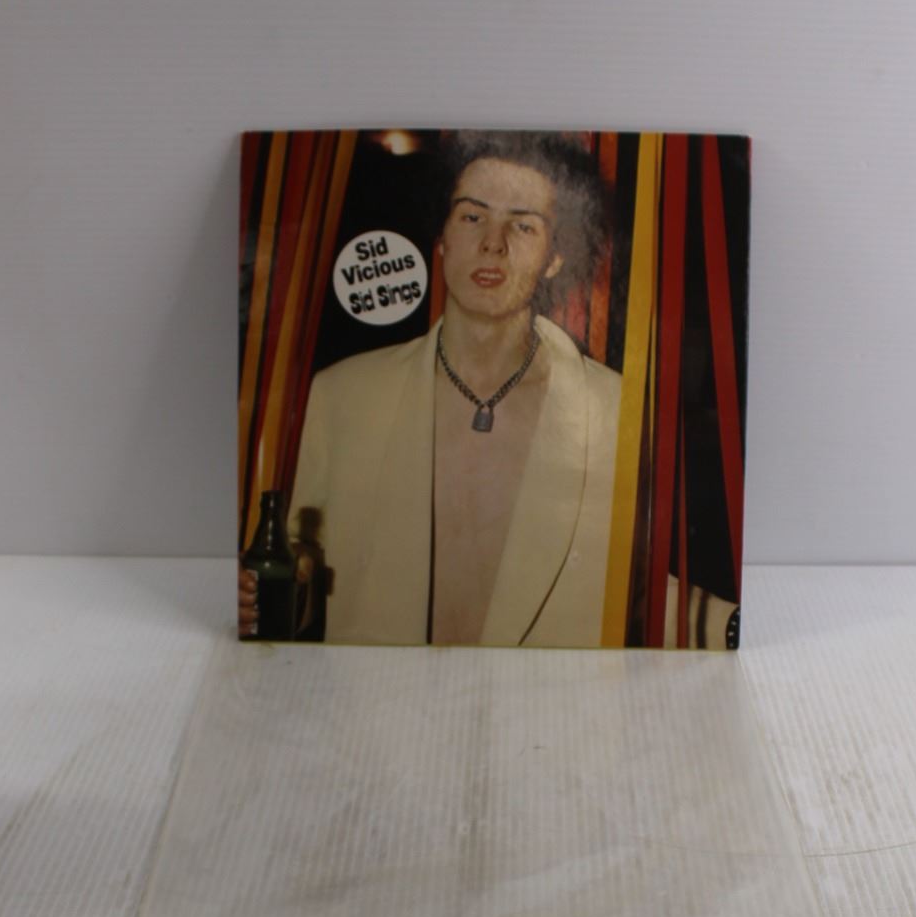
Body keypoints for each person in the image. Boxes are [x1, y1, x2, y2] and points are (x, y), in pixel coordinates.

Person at [239, 133, 735, 647]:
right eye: (472, 216)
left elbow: (636, 593)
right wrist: (268, 595)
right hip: (383, 696)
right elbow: (301, 566)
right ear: (442, 238)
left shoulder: (616, 412)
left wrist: (735, 628)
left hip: (547, 698)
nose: (492, 243)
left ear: (555, 257)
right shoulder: (342, 395)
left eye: (523, 225)